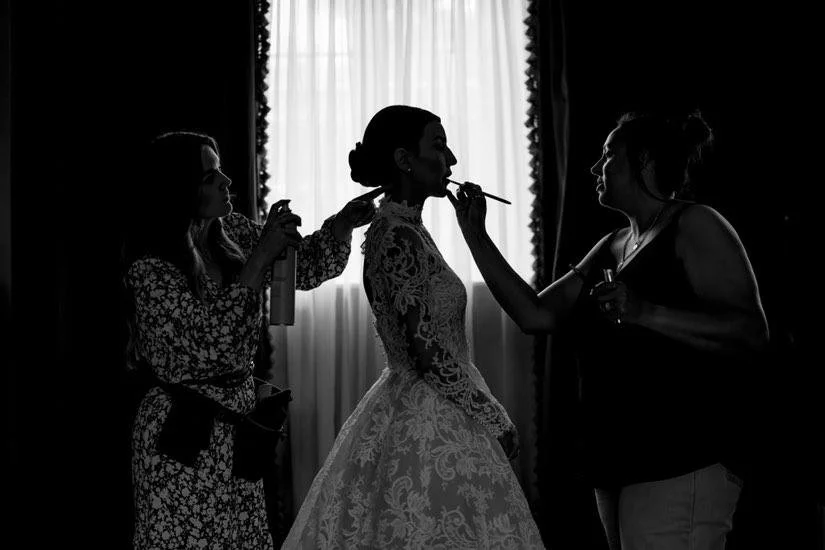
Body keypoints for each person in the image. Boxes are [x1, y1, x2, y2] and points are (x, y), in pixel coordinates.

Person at [448, 111, 769, 550]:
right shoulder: (613, 244)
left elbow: (750, 332)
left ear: (646, 162)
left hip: (682, 459)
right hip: (618, 462)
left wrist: (644, 311)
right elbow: (536, 315)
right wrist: (475, 233)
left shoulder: (696, 224)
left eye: (608, 155)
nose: (596, 168)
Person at [281, 105, 544, 549]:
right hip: (428, 410)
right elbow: (424, 349)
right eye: (439, 146)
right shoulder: (397, 236)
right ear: (405, 160)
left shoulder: (407, 229)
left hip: (433, 402)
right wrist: (491, 413)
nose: (452, 161)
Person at [121, 131, 375, 549]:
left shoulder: (231, 231)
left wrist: (343, 222)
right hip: (182, 438)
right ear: (178, 188)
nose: (225, 180)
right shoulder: (151, 268)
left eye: (220, 169)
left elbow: (303, 270)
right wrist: (258, 259)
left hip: (236, 435)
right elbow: (212, 345)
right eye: (209, 175)